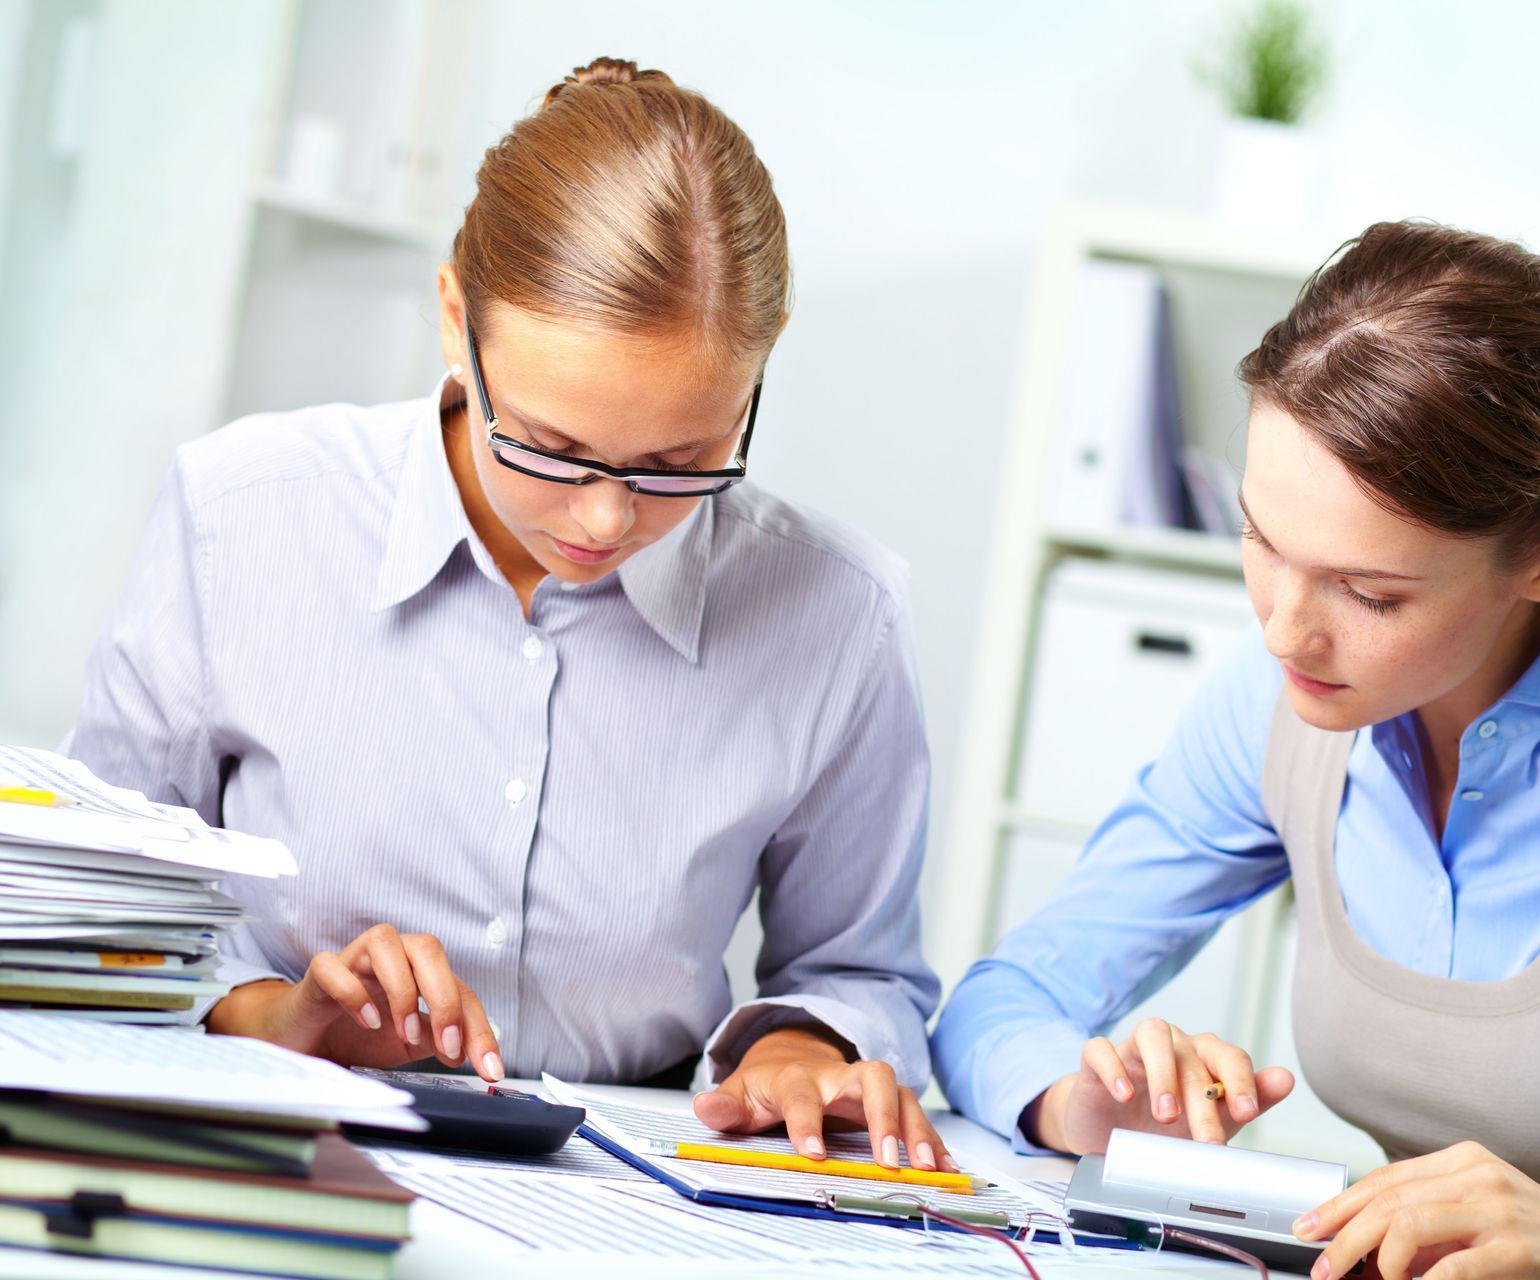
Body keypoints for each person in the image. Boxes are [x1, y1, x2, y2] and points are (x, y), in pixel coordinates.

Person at [933, 221, 1540, 1275]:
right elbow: (1002, 1000)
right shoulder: (1275, 705)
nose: (1283, 629)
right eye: (1262, 538)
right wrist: (1083, 1104)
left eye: (1368, 592)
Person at [68, 58, 955, 1174]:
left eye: (680, 461)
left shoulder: (839, 617)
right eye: (551, 445)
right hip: (268, 1144)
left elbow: (862, 972)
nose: (605, 516)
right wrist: (264, 1012)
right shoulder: (241, 515)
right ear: (455, 321)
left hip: (631, 1197)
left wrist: (795, 1045)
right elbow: (75, 917)